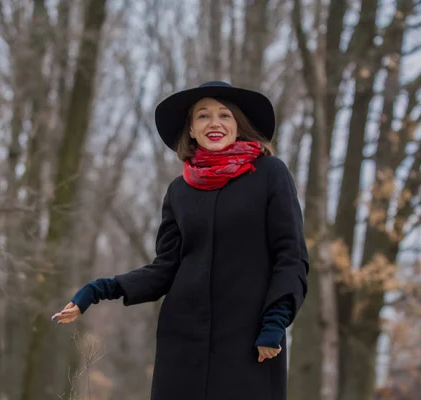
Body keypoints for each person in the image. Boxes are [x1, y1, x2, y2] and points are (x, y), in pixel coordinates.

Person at [51, 81, 309, 400]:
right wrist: (100, 289)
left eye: (224, 115)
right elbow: (166, 268)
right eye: (202, 116)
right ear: (190, 130)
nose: (214, 123)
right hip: (183, 343)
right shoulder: (180, 190)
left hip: (252, 340)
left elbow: (291, 256)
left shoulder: (271, 174)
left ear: (239, 125)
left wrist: (275, 321)